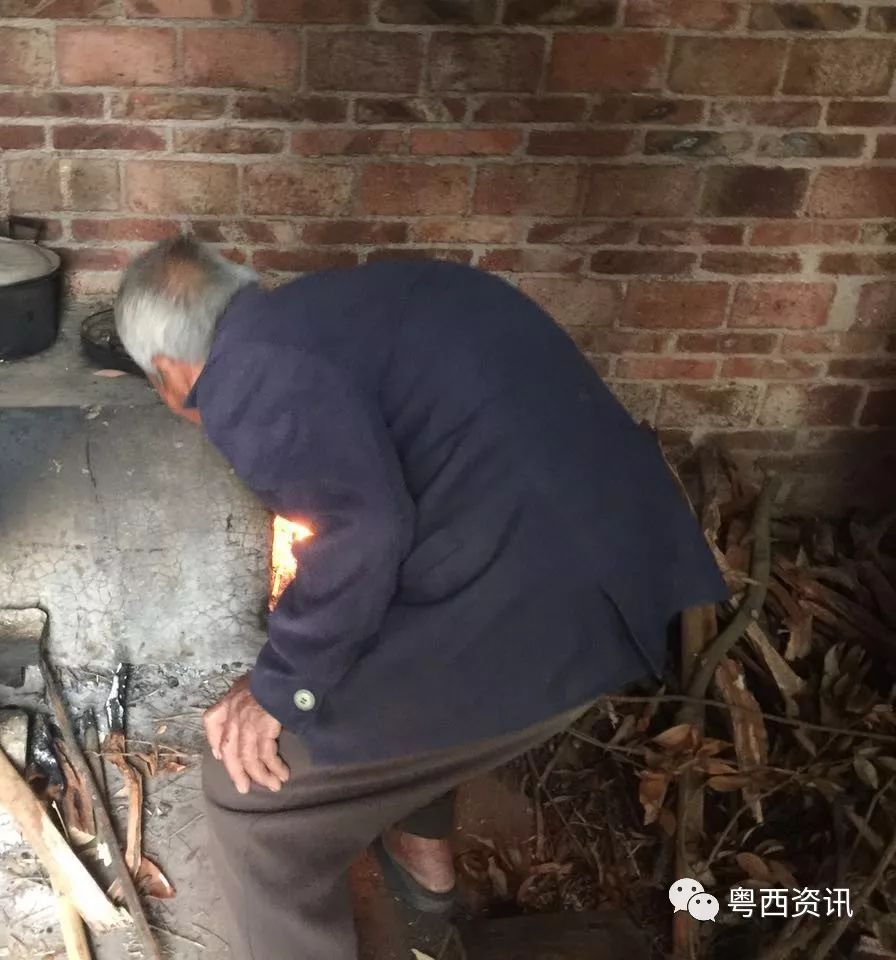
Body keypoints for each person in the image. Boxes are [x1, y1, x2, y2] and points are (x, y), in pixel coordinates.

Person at [114, 237, 727, 960]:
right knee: (373, 647)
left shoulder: (248, 373)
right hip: (618, 561)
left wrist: (280, 688)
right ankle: (422, 863)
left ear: (168, 372)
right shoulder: (342, 308)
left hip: (545, 609)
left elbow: (364, 527)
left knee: (246, 793)